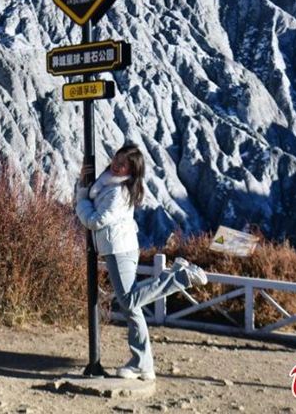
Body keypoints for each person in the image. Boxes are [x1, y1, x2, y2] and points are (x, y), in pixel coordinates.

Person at [75, 144, 208, 381]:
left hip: (120, 250)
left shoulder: (119, 192)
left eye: (123, 163)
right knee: (132, 309)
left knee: (129, 299)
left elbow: (96, 221)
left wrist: (80, 202)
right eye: (117, 158)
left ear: (132, 170)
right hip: (115, 248)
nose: (117, 163)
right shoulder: (106, 182)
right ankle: (143, 364)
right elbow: (92, 203)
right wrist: (83, 184)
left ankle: (180, 277)